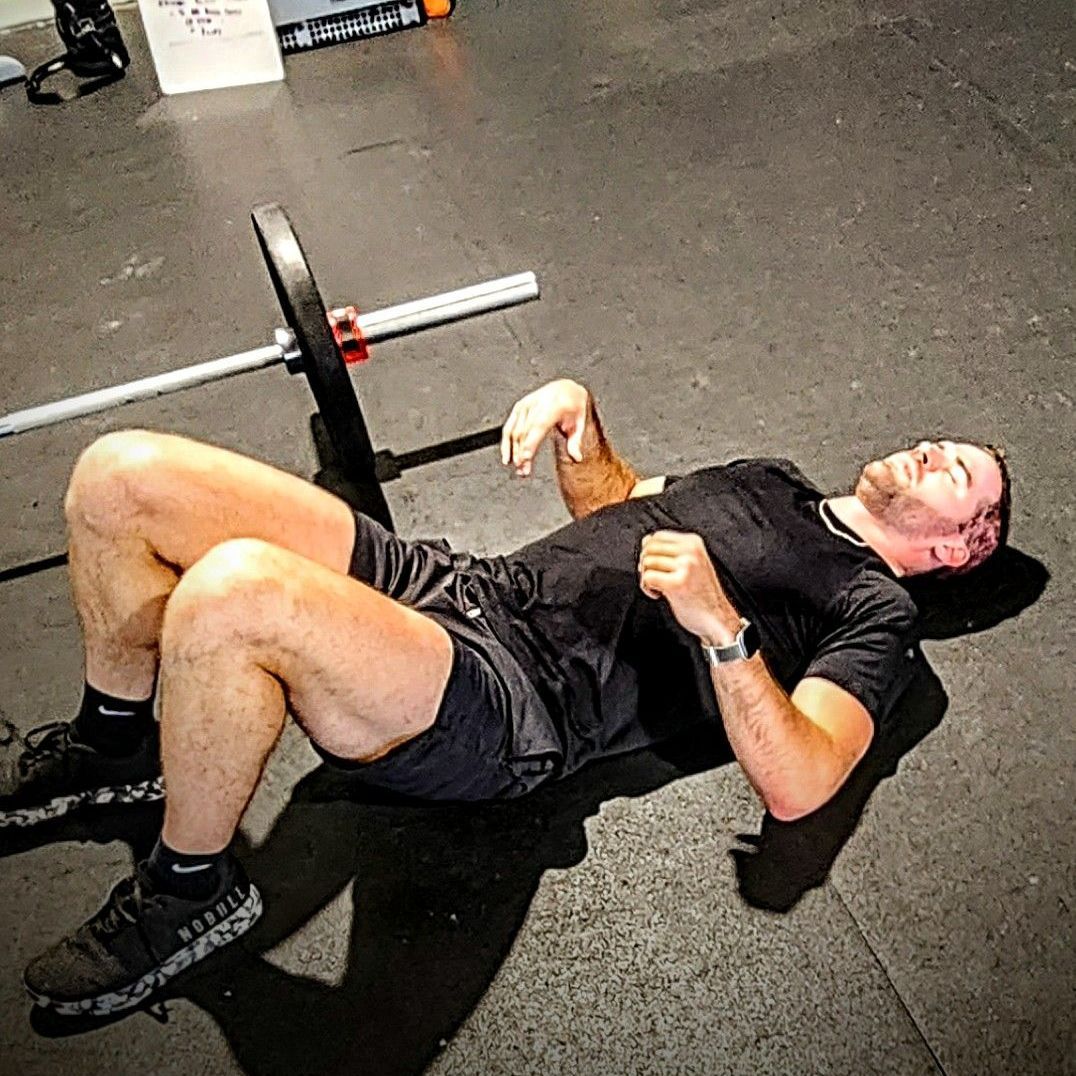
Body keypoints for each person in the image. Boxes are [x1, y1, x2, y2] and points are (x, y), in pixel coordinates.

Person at [0, 378, 1010, 1017]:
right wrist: (582, 421)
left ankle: (188, 892)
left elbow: (801, 780)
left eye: (956, 466)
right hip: (458, 585)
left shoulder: (873, 610)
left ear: (964, 544)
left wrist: (725, 631)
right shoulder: (775, 478)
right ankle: (115, 741)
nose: (929, 446)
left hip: (510, 701)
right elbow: (623, 507)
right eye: (937, 436)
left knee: (232, 597)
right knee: (120, 476)